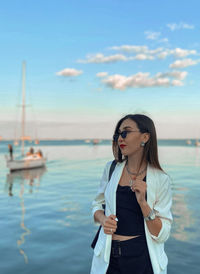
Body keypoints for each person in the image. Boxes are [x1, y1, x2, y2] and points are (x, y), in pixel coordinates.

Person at [90, 114, 173, 274]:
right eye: (118, 134)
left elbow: (163, 234)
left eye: (125, 132)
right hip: (108, 259)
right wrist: (103, 220)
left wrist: (143, 204)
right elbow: (97, 205)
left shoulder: (161, 179)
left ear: (145, 137)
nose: (120, 138)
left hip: (141, 259)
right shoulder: (111, 168)